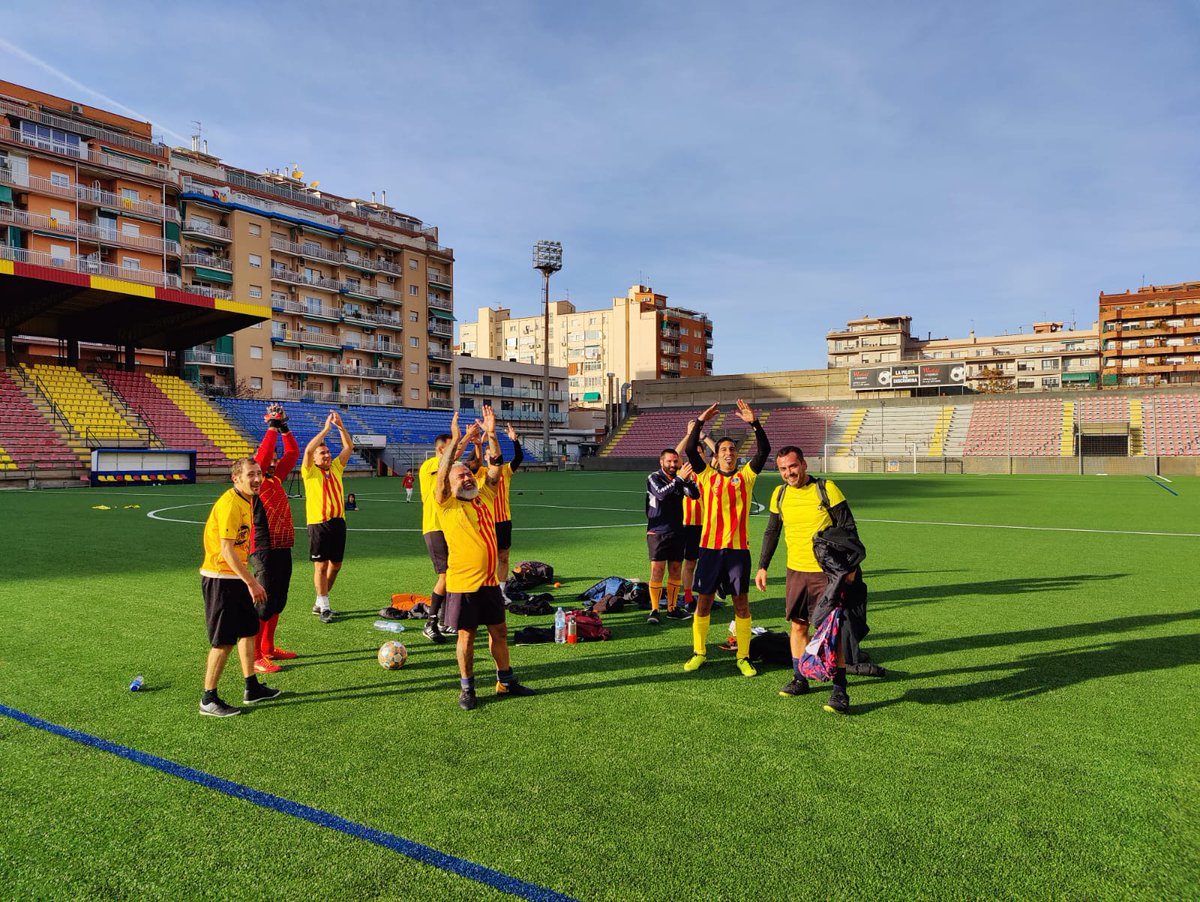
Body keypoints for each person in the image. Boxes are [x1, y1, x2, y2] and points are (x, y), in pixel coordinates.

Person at [434, 407, 534, 710]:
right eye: (460, 475)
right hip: (463, 584)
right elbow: (442, 472)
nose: (466, 477)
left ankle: (505, 680)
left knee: (499, 631)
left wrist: (491, 435)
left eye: (467, 473)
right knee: (466, 636)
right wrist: (455, 441)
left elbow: (494, 468)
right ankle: (467, 688)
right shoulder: (446, 504)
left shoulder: (485, 496)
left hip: (490, 582)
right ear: (450, 484)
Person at [756, 446, 861, 714]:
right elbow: (772, 531)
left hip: (826, 574)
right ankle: (800, 678)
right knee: (798, 626)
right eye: (783, 469)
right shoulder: (779, 494)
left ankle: (839, 690)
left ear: (803, 464)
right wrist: (763, 566)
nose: (789, 473)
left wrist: (850, 568)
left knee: (830, 633)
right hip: (796, 571)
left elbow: (849, 528)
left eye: (792, 466)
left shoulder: (826, 489)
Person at [681, 399, 770, 677]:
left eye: (732, 449)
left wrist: (754, 423)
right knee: (704, 601)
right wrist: (700, 422)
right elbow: (689, 449)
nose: (729, 452)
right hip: (709, 549)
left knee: (741, 603)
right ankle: (699, 652)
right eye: (723, 450)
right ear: (716, 456)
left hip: (737, 551)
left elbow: (765, 450)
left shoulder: (746, 477)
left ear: (736, 455)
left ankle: (743, 657)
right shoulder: (705, 476)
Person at [199, 457, 283, 717]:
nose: (257, 479)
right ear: (236, 478)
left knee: (248, 630)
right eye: (250, 475)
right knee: (223, 640)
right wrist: (252, 581)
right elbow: (226, 550)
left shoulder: (247, 500)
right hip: (221, 577)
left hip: (235, 576)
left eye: (258, 473)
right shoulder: (230, 504)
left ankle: (251, 687)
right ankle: (208, 699)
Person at [249, 403, 299, 674]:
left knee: (279, 599)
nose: (272, 462)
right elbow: (265, 454)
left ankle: (268, 648)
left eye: (273, 462)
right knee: (264, 601)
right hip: (264, 546)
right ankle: (256, 656)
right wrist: (271, 426)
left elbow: (292, 452)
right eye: (268, 461)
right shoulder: (254, 484)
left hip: (283, 544)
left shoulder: (277, 480)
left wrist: (285, 427)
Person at [301, 410, 352, 624]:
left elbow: (349, 447)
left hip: (338, 522)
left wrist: (341, 427)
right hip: (319, 524)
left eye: (328, 452)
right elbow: (308, 449)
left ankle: (321, 600)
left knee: (336, 565)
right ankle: (324, 606)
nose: (327, 455)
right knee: (320, 566)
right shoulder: (310, 472)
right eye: (322, 453)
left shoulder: (337, 468)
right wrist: (325, 430)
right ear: (314, 459)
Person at [644, 447, 699, 624]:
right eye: (669, 461)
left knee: (675, 569)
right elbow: (661, 493)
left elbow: (695, 495)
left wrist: (689, 482)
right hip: (657, 531)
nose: (673, 464)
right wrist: (680, 479)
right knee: (657, 570)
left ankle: (672, 608)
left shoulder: (680, 480)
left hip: (677, 531)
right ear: (662, 462)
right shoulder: (654, 478)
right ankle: (654, 609)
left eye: (676, 461)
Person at [677, 422, 716, 615]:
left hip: (709, 524)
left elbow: (719, 452)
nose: (698, 454)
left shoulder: (709, 473)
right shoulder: (684, 471)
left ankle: (705, 594)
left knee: (708, 562)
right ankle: (688, 596)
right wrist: (688, 435)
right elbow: (675, 454)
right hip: (689, 524)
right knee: (690, 562)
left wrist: (702, 435)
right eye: (695, 452)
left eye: (701, 452)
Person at [419, 431, 454, 642]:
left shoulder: (451, 467)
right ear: (441, 449)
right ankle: (430, 623)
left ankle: (443, 620)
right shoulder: (429, 465)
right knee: (445, 575)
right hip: (435, 527)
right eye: (452, 447)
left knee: (454, 574)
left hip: (450, 527)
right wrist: (463, 437)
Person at [488, 422, 524, 592]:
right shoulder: (479, 473)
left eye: (496, 454)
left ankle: (501, 591)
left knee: (503, 557)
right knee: (485, 558)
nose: (494, 457)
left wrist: (515, 441)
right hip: (485, 522)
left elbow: (518, 459)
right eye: (490, 455)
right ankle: (485, 589)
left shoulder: (505, 471)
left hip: (503, 521)